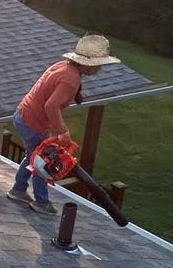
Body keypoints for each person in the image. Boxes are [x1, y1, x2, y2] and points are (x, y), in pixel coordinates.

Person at [7, 34, 121, 214]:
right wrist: (63, 131)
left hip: (23, 115)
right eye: (98, 65)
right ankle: (41, 202)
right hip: (33, 123)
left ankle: (18, 190)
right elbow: (51, 106)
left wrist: (76, 94)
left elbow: (55, 88)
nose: (99, 69)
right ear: (86, 64)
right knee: (42, 163)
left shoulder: (64, 67)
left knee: (32, 155)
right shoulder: (71, 79)